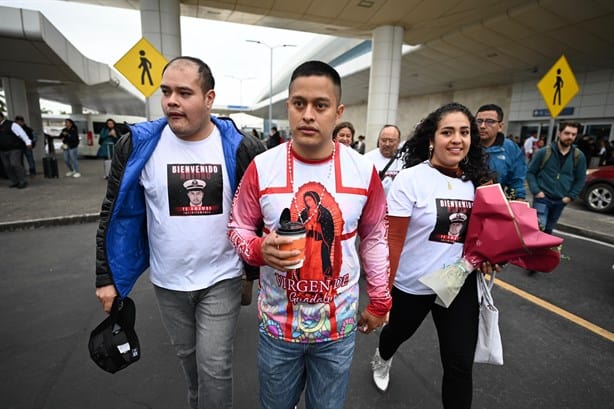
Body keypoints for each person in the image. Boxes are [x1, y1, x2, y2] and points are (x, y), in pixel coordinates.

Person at [94, 56, 265, 409]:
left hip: (222, 279)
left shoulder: (240, 148)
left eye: (184, 92)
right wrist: (105, 277)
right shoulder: (138, 147)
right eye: (166, 91)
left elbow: (257, 217)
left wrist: (251, 275)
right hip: (168, 283)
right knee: (189, 361)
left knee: (215, 366)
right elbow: (114, 213)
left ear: (209, 98)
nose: (172, 100)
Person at [227, 60, 391, 409]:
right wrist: (258, 249)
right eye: (299, 103)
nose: (308, 115)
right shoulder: (263, 166)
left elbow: (375, 235)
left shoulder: (364, 171)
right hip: (277, 327)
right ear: (288, 106)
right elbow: (237, 227)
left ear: (338, 111)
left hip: (338, 328)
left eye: (321, 105)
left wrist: (380, 300)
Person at [370, 102, 497, 409]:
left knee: (458, 365)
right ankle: (382, 357)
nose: (457, 139)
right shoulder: (410, 179)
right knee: (397, 334)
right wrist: (382, 294)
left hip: (458, 281)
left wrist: (494, 254)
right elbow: (394, 241)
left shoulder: (479, 181)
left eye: (464, 132)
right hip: (413, 283)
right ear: (431, 138)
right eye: (448, 132)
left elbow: (487, 232)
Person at [526, 121, 587, 235]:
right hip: (542, 198)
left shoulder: (578, 156)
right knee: (539, 229)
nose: (570, 137)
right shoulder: (544, 152)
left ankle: (542, 252)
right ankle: (533, 252)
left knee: (549, 230)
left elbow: (581, 179)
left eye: (573, 134)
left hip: (560, 200)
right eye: (567, 133)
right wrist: (536, 191)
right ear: (559, 133)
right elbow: (530, 172)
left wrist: (570, 196)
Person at [475, 104, 526, 199]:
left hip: (494, 204)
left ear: (500, 126)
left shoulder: (510, 148)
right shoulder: (466, 144)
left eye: (490, 121)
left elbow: (516, 183)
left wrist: (518, 200)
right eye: (479, 121)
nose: (482, 126)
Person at [0, 111, 32, 188]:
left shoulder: (11, 124)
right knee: (7, 166)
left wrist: (28, 142)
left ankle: (22, 181)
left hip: (14, 148)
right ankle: (15, 181)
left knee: (14, 164)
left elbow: (22, 133)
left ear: (1, 117)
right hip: (2, 150)